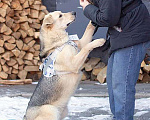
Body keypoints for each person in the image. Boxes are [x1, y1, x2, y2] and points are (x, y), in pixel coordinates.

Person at [80, 0, 150, 120]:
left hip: (132, 34)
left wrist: (87, 8)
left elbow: (108, 18)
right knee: (114, 83)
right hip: (122, 33)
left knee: (122, 85)